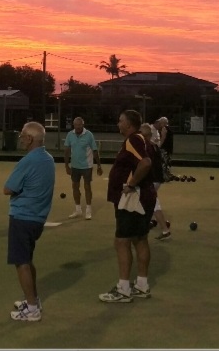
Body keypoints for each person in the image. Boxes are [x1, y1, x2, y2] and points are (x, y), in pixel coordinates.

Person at [99, 109, 157, 303]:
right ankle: (141, 285)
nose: (118, 124)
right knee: (140, 239)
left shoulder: (133, 140)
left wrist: (131, 185)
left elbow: (146, 163)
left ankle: (123, 289)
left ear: (129, 125)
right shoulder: (143, 140)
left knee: (122, 241)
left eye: (120, 121)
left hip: (133, 199)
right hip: (144, 196)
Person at [4, 120, 56, 322]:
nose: (20, 138)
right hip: (38, 218)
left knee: (22, 262)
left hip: (23, 216)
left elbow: (8, 188)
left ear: (30, 139)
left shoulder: (28, 161)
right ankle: (33, 299)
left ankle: (32, 309)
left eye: (23, 135)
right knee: (27, 259)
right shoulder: (48, 158)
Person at [63, 117, 101, 220]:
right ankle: (78, 209)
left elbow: (94, 150)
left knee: (87, 187)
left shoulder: (89, 135)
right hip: (75, 166)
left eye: (80, 125)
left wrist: (98, 165)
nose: (78, 127)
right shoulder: (70, 135)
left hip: (87, 166)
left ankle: (88, 210)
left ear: (83, 125)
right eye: (76, 125)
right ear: (74, 125)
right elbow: (66, 150)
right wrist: (66, 165)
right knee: (75, 187)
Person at [141, 122, 171, 240]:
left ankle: (165, 230)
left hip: (152, 179)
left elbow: (145, 165)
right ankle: (147, 225)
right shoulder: (153, 145)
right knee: (149, 202)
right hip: (157, 179)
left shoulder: (146, 147)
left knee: (152, 203)